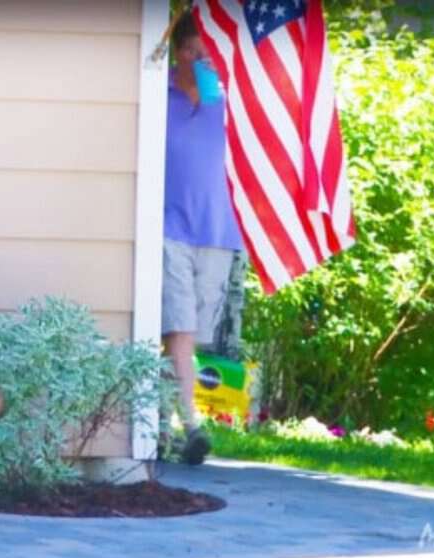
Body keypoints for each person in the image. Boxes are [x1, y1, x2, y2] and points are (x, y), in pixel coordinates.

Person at [161, 13, 247, 465]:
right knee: (179, 325)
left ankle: (158, 423)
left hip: (217, 230)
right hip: (168, 226)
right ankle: (189, 423)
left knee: (189, 331)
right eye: (194, 51)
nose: (201, 61)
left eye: (208, 54)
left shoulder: (226, 104)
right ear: (180, 53)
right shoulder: (160, 99)